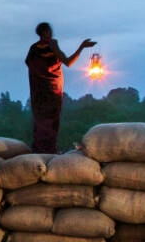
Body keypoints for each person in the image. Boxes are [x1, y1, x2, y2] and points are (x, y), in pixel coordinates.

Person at [25, 22, 96, 153]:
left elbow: (29, 63)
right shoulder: (52, 45)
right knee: (51, 120)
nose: (51, 34)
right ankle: (49, 151)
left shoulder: (33, 48)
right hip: (51, 89)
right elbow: (68, 62)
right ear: (45, 32)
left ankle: (40, 150)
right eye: (49, 31)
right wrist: (82, 47)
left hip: (38, 91)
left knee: (41, 121)